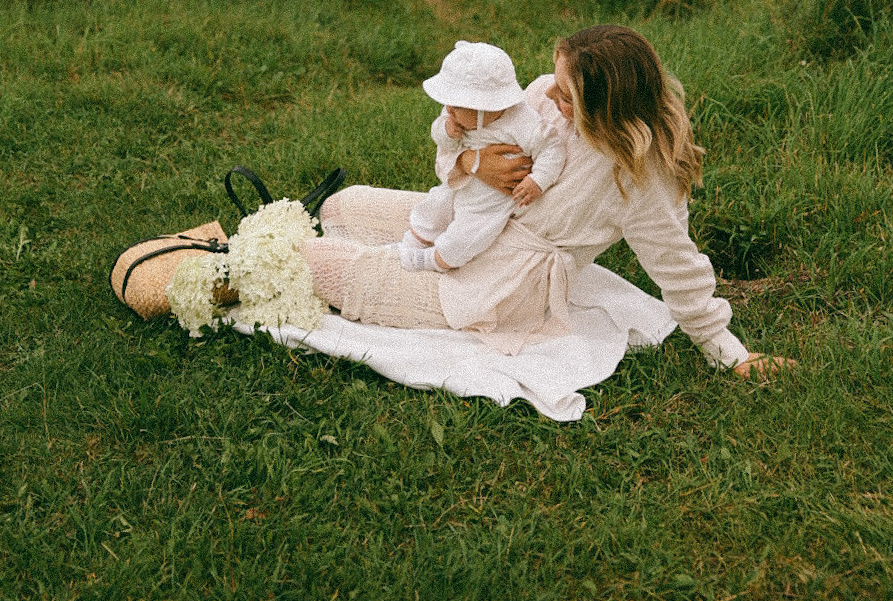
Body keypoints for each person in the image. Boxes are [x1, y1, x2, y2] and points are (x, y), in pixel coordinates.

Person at [303, 24, 788, 376]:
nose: (547, 90)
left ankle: (237, 256)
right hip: (470, 213)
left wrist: (728, 352)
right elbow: (449, 160)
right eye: (556, 78)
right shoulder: (539, 98)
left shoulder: (637, 178)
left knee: (323, 266)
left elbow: (677, 264)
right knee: (343, 206)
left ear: (606, 109)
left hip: (505, 281)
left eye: (567, 94)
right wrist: (471, 165)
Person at [397, 40, 567, 273]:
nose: (448, 109)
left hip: (489, 201)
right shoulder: (455, 114)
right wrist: (446, 131)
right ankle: (416, 239)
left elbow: (552, 149)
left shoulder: (524, 124)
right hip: (459, 184)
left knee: (470, 234)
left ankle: (435, 260)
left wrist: (538, 180)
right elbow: (440, 138)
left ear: (485, 106)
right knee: (436, 204)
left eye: (455, 105)